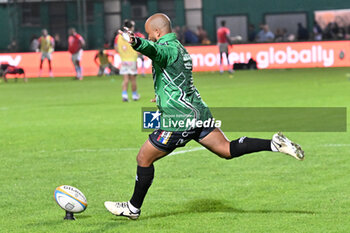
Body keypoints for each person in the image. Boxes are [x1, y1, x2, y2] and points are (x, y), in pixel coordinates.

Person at [104, 13, 305, 220]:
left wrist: (136, 41)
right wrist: (162, 96)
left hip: (179, 119)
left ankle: (133, 208)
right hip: (198, 112)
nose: (150, 37)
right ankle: (273, 144)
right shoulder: (181, 49)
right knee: (226, 149)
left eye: (150, 34)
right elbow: (177, 78)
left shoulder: (166, 48)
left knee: (143, 158)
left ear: (157, 31)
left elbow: (154, 49)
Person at [114, 20, 140, 101]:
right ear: (131, 27)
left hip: (124, 60)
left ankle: (124, 95)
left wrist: (123, 53)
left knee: (125, 79)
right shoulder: (133, 36)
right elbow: (139, 49)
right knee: (133, 79)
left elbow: (116, 48)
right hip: (132, 60)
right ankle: (134, 96)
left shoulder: (118, 37)